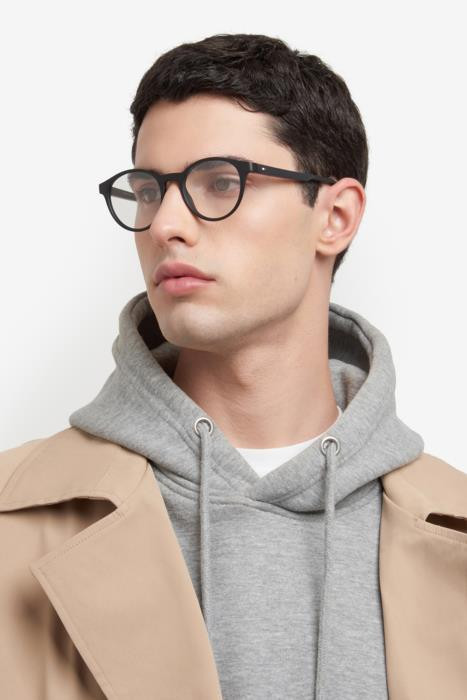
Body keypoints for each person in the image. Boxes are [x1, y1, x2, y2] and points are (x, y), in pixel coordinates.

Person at [2, 32, 467, 700]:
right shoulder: (12, 520)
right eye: (149, 190)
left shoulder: (453, 525)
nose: (165, 224)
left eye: (220, 182)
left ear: (335, 216)